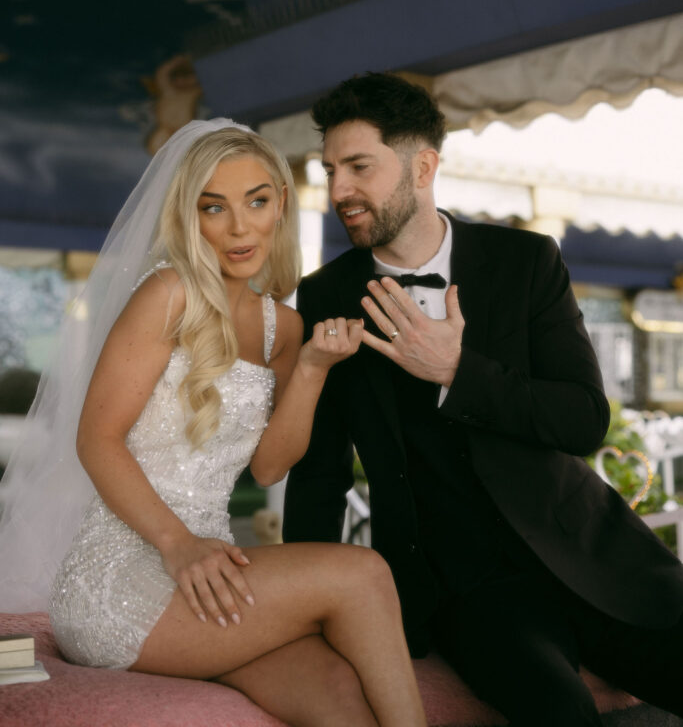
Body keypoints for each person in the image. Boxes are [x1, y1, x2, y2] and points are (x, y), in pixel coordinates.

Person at [283, 73, 683, 727]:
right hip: (462, 590)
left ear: (423, 165)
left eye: (358, 167)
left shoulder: (525, 261)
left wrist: (456, 371)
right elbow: (319, 471)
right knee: (557, 713)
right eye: (329, 171)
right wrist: (306, 608)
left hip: (588, 554)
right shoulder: (325, 295)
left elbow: (583, 418)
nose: (339, 192)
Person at [0, 118, 426, 727]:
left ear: (281, 202)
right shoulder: (167, 294)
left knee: (337, 694)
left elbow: (271, 464)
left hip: (213, 567)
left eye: (256, 201)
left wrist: (311, 370)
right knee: (362, 573)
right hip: (124, 575)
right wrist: (178, 547)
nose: (238, 227)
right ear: (190, 216)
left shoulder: (285, 326)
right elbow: (97, 440)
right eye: (214, 207)